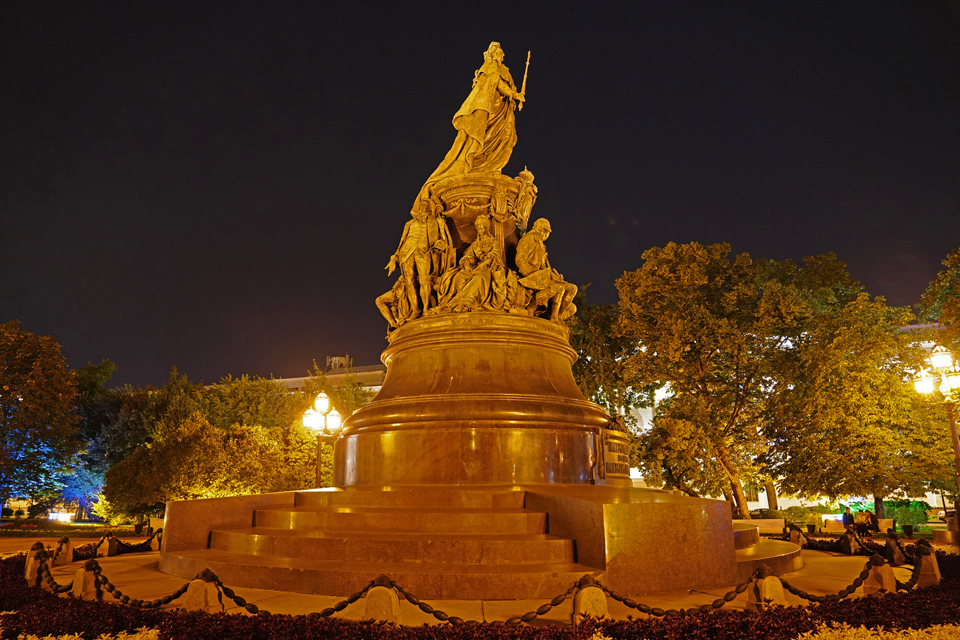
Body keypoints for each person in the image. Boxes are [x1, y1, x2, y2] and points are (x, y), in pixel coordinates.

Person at [413, 42, 524, 210]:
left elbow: (503, 84)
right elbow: (495, 82)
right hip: (489, 109)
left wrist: (513, 94)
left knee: (506, 137)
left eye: (502, 53)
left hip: (501, 112)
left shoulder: (504, 70)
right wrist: (514, 94)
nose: (502, 55)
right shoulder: (491, 66)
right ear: (493, 54)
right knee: (485, 138)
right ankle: (477, 165)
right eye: (499, 52)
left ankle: (488, 166)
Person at [387, 200, 451, 317]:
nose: (422, 208)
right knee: (409, 282)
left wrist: (438, 245)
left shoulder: (434, 222)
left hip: (423, 251)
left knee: (424, 281)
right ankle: (415, 310)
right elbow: (402, 241)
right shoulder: (409, 223)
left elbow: (442, 238)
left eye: (425, 205)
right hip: (406, 252)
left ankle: (425, 309)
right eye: (421, 206)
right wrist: (395, 257)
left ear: (429, 208)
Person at [515, 218, 577, 321]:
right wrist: (532, 275)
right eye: (547, 233)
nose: (547, 236)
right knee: (559, 288)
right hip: (533, 276)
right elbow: (520, 259)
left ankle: (558, 316)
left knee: (572, 288)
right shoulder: (530, 238)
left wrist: (556, 278)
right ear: (543, 230)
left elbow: (543, 268)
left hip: (543, 276)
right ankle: (553, 317)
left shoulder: (540, 243)